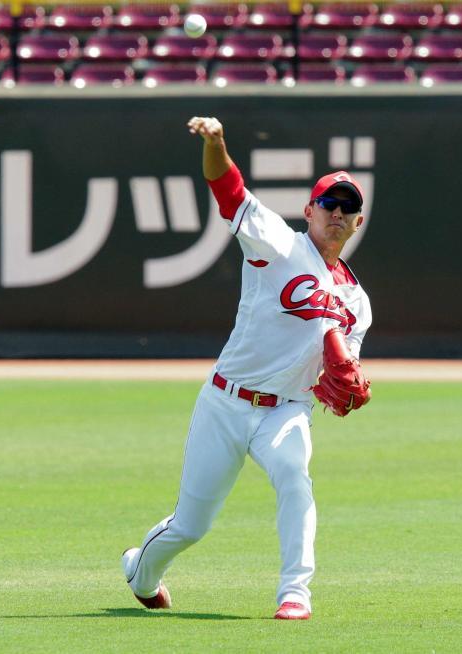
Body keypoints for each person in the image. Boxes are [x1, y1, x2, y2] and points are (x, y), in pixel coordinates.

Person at [121, 116, 373, 620]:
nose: (338, 214)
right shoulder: (278, 244)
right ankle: (140, 571)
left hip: (286, 411)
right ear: (310, 210)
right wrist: (216, 143)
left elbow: (343, 366)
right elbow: (228, 188)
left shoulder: (358, 302)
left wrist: (348, 380)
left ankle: (295, 593)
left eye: (349, 208)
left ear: (358, 223)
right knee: (191, 526)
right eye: (329, 203)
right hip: (226, 401)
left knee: (294, 476)